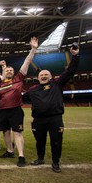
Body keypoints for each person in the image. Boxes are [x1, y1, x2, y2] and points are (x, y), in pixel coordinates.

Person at [23, 45, 80, 173]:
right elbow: (18, 97)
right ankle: (40, 158)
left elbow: (70, 71)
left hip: (55, 119)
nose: (43, 76)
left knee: (56, 141)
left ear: (50, 77)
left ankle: (55, 162)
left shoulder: (57, 84)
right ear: (38, 78)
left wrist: (75, 56)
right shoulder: (32, 90)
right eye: (41, 75)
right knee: (40, 141)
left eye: (46, 74)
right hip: (38, 120)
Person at [0, 37, 38, 167]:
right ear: (4, 72)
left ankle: (21, 155)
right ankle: (9, 151)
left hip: (15, 110)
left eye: (10, 70)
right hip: (3, 111)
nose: (8, 71)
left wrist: (33, 49)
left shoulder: (18, 78)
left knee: (17, 132)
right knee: (5, 132)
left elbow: (27, 61)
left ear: (13, 72)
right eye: (6, 70)